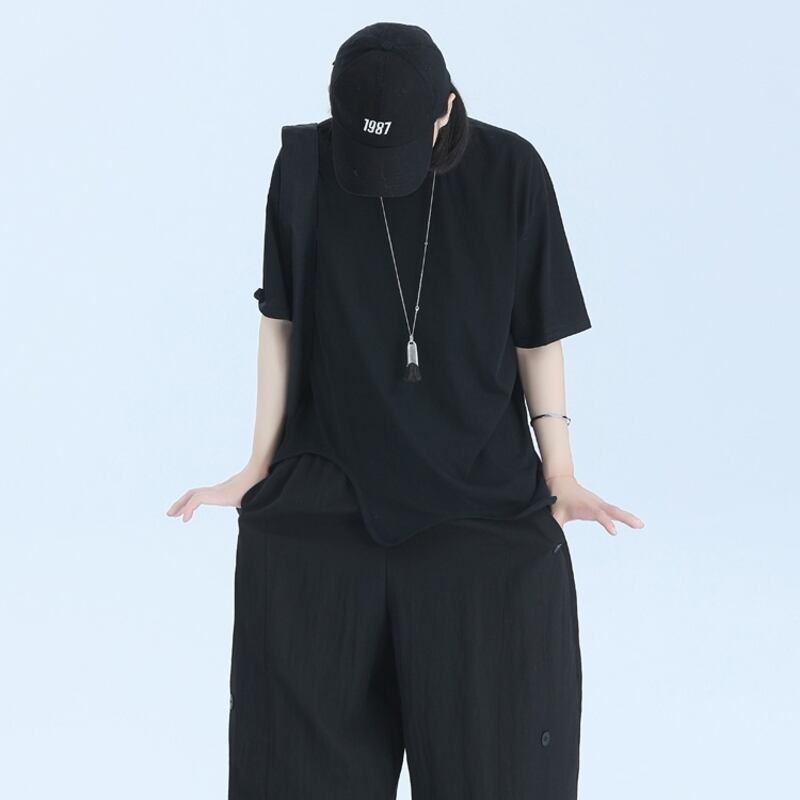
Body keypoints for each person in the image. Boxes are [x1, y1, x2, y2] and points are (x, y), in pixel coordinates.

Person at [168, 21, 644, 800]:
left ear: (445, 109)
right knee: (291, 770)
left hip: (480, 509)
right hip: (328, 501)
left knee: (502, 765)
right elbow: (280, 322)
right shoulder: (305, 168)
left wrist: (560, 473)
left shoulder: (511, 173)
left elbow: (538, 334)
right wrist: (257, 465)